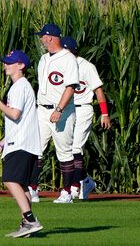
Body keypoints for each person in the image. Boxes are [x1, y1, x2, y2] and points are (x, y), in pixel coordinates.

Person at [0, 49, 44, 238]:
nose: (6, 65)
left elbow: (15, 114)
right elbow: (18, 123)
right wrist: (0, 144)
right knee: (23, 185)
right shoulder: (21, 86)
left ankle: (30, 219)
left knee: (10, 180)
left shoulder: (20, 86)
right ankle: (26, 225)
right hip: (23, 142)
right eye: (5, 62)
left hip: (21, 144)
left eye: (10, 62)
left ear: (21, 65)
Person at [27, 22, 79, 203]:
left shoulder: (68, 59)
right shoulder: (43, 59)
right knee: (36, 150)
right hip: (42, 110)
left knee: (64, 152)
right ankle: (32, 190)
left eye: (42, 36)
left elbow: (71, 87)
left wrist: (59, 109)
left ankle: (66, 193)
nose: (40, 39)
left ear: (49, 37)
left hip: (62, 112)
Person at [60, 36, 111, 200]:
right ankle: (86, 181)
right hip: (68, 110)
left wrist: (105, 114)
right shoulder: (62, 67)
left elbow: (99, 90)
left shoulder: (86, 66)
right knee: (67, 149)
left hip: (84, 109)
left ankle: (75, 186)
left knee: (76, 148)